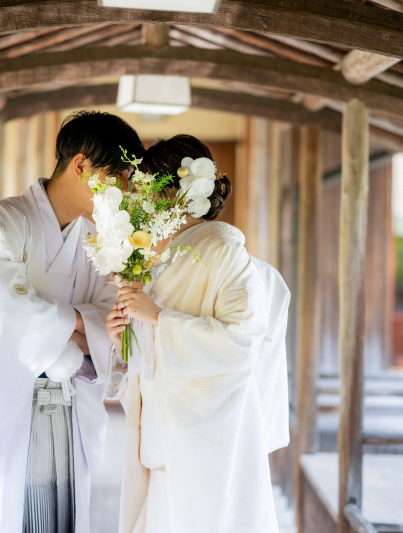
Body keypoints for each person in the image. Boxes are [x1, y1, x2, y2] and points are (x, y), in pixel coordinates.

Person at [0, 111, 145, 533]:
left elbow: (113, 314)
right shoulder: (1, 222)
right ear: (81, 165)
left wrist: (78, 327)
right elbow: (4, 312)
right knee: (3, 514)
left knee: (59, 514)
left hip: (66, 407)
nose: (123, 191)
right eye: (118, 176)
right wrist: (82, 325)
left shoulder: (98, 239)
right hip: (3, 403)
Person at [105, 135, 291, 533]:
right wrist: (123, 331)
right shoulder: (166, 255)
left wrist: (158, 318)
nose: (142, 201)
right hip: (168, 425)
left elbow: (241, 341)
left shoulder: (224, 249)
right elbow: (148, 352)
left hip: (211, 433)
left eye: (147, 190)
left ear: (172, 190)